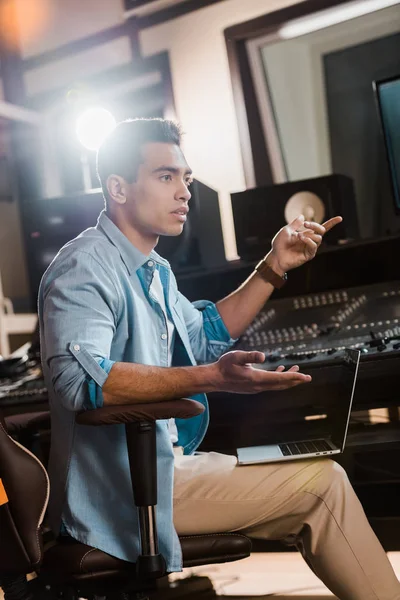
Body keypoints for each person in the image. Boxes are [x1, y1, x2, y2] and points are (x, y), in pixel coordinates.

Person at [39, 118, 400, 600]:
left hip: (165, 467)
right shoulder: (85, 266)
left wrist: (273, 267)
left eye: (185, 179)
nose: (184, 191)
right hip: (125, 493)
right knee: (323, 485)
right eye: (166, 176)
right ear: (118, 188)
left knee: (319, 470)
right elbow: (80, 383)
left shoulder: (154, 270)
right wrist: (212, 377)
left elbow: (208, 333)